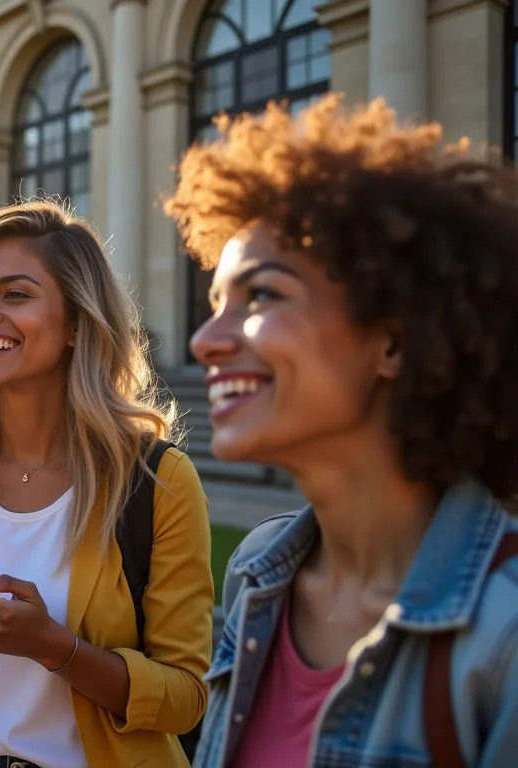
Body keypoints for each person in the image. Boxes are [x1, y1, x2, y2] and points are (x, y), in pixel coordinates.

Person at [165, 94, 518, 767]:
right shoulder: (258, 573)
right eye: (217, 303)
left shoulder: (507, 634)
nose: (206, 340)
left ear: (393, 339)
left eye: (261, 295)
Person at [0, 201, 213, 768]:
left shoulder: (157, 479)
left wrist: (55, 648)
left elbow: (186, 698)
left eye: (16, 294)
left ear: (77, 322)